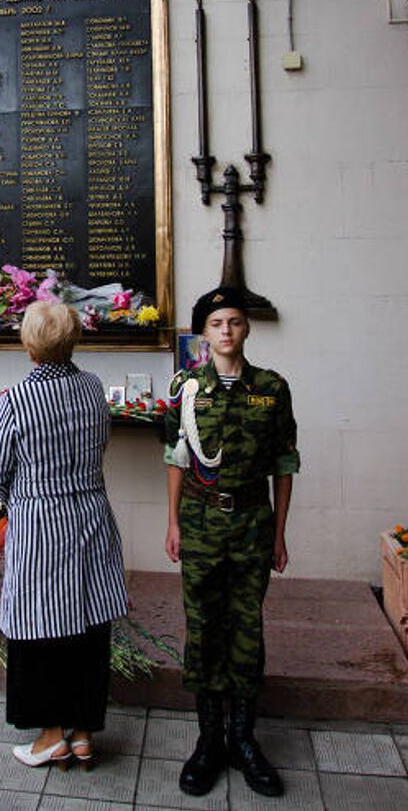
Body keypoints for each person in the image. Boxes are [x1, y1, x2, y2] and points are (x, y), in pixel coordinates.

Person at [164, 286, 300, 799]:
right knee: (202, 628)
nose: (226, 330)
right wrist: (173, 523)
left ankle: (244, 740)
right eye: (217, 323)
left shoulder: (272, 388)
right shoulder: (185, 386)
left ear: (246, 329)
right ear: (204, 332)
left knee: (247, 628)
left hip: (251, 526)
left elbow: (284, 464)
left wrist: (280, 533)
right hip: (200, 524)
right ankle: (208, 742)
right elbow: (177, 459)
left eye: (235, 322)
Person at [0, 300, 127, 771]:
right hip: (90, 514)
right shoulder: (92, 388)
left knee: (38, 629)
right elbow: (102, 445)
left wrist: (23, 495)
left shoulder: (17, 400)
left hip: (41, 525)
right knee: (88, 626)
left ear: (28, 345)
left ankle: (49, 737)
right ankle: (83, 733)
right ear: (74, 339)